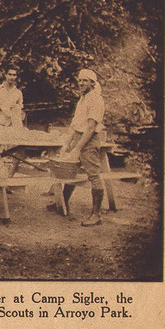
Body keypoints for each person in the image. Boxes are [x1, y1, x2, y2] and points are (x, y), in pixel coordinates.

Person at [59, 68, 106, 227]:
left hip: (89, 140)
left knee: (94, 175)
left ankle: (96, 214)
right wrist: (67, 144)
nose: (81, 83)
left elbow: (91, 127)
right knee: (70, 171)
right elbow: (76, 124)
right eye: (79, 80)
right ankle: (63, 203)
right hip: (78, 137)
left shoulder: (96, 99)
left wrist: (78, 148)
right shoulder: (83, 98)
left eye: (85, 80)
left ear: (92, 83)